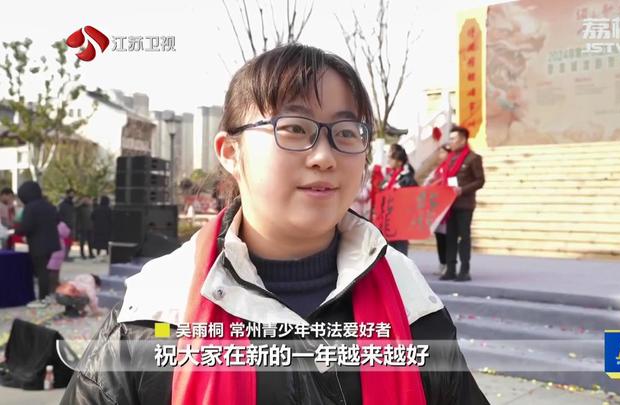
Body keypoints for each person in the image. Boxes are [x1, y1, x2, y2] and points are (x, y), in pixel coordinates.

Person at [61, 44, 489, 405]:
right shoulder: (156, 312)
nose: (324, 156)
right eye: (295, 128)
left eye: (346, 132)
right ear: (230, 153)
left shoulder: (409, 300)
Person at [437, 126, 485, 282]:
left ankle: (464, 270)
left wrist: (462, 190)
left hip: (464, 204)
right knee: (450, 237)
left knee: (464, 237)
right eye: (450, 138)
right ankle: (450, 269)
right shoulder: (449, 159)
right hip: (449, 205)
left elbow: (480, 181)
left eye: (454, 138)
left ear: (463, 140)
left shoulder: (473, 158)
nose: (450, 141)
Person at [16, 181, 61, 307]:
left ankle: (43, 299)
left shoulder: (30, 207)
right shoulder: (48, 205)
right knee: (45, 271)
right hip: (51, 243)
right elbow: (57, 220)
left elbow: (26, 227)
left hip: (38, 244)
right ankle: (46, 296)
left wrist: (16, 230)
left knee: (41, 272)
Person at [379, 143, 418, 255]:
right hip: (388, 220)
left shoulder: (407, 179)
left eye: (391, 158)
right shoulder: (390, 176)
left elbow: (413, 199)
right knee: (389, 251)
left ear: (399, 162)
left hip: (401, 220)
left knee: (400, 251)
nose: (388, 160)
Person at [423, 144, 452, 275]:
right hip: (437, 207)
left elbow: (452, 185)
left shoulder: (451, 168)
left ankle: (449, 265)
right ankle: (442, 263)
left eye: (443, 153)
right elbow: (427, 183)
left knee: (447, 239)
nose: (441, 155)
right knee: (439, 238)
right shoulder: (438, 169)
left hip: (448, 209)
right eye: (440, 153)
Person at [47, 220, 71, 296]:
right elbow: (67, 233)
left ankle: (52, 288)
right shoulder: (61, 224)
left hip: (48, 248)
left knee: (50, 271)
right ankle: (54, 289)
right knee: (55, 271)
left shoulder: (47, 222)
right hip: (58, 249)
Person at [58, 188, 76, 260]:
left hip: (71, 225)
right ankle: (64, 256)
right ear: (67, 194)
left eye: (73, 194)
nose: (72, 195)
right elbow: (60, 215)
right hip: (65, 225)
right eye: (71, 194)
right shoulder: (63, 205)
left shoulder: (72, 204)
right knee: (66, 242)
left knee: (69, 242)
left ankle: (66, 255)